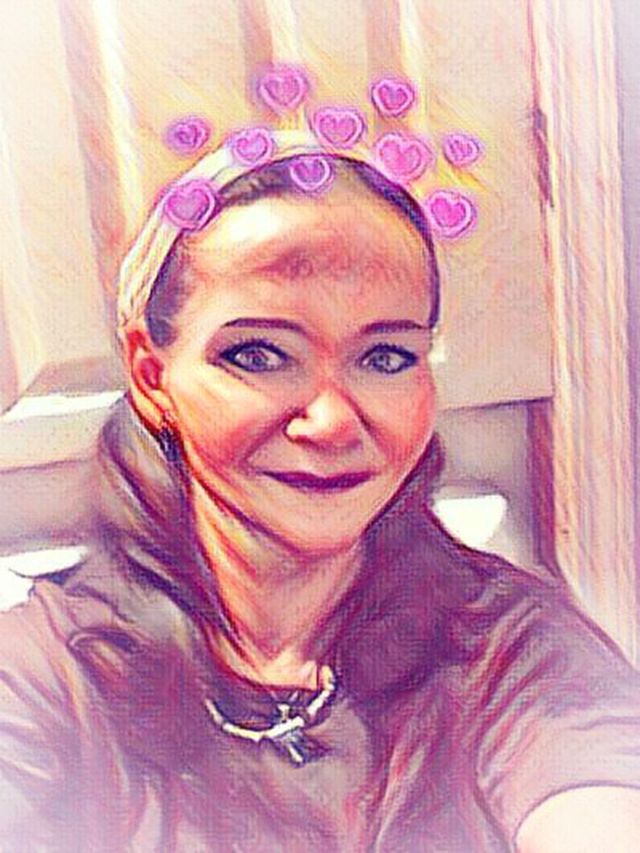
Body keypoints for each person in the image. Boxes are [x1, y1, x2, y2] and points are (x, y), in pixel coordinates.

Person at [1, 115, 640, 852]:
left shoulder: (512, 651)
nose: (333, 421)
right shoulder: (48, 673)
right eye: (260, 355)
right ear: (152, 378)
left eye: (386, 357)